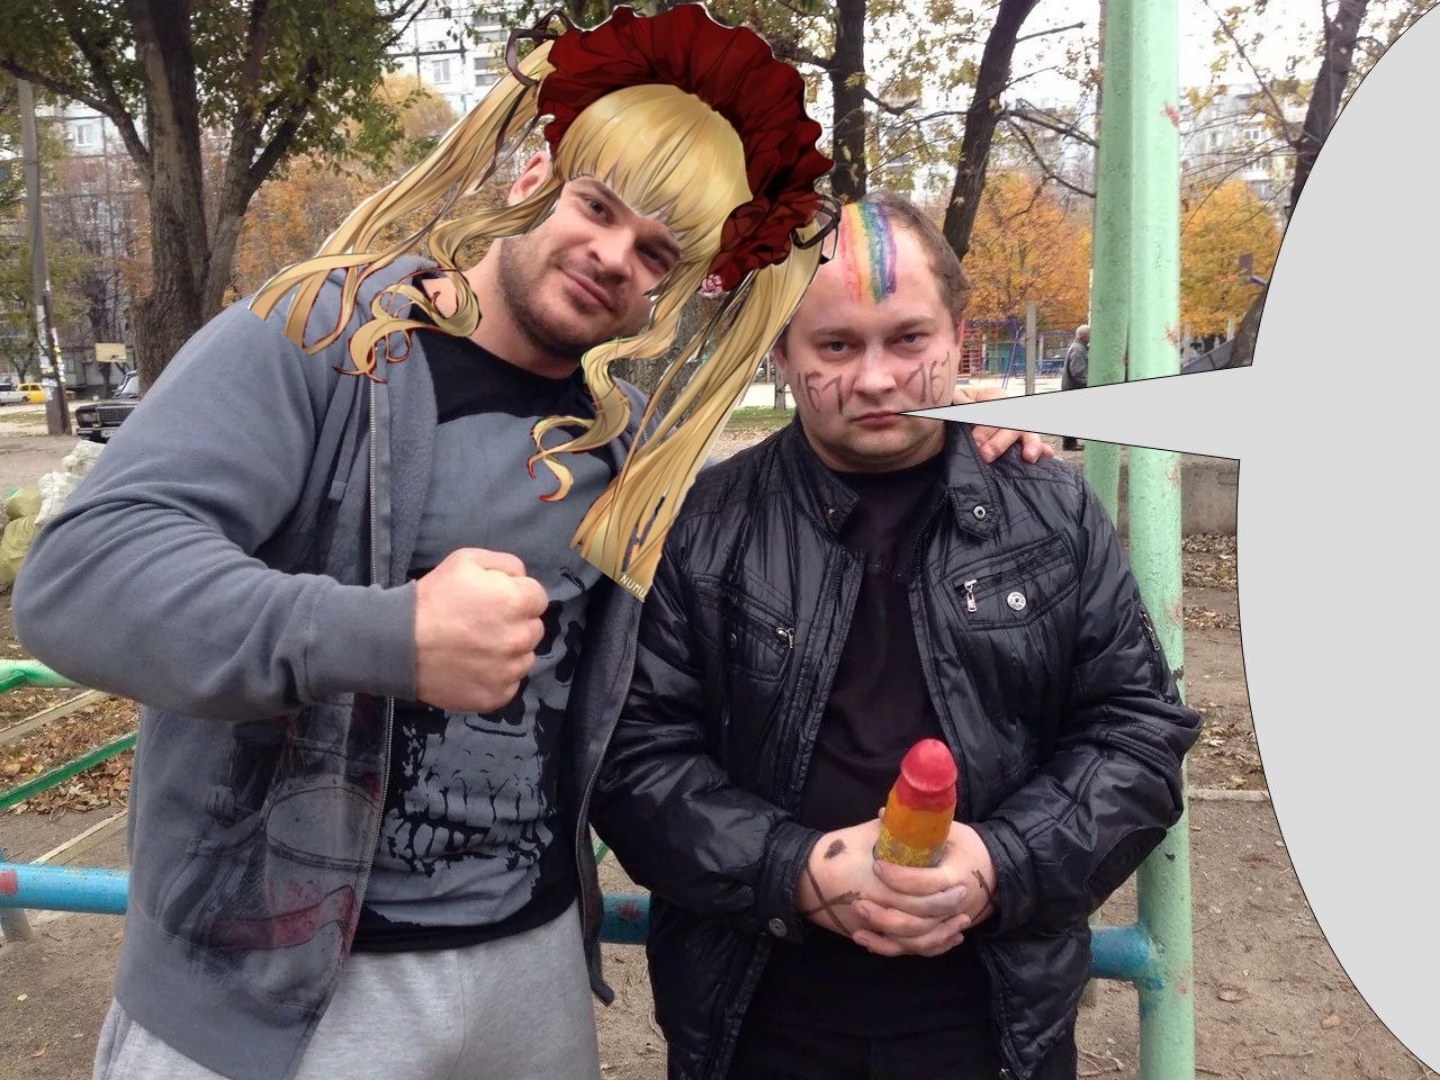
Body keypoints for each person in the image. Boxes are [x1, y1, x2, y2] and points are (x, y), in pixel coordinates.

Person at [11, 10, 1046, 1080]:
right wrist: (388, 634)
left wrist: (954, 443)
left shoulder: (627, 446)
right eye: (596, 206)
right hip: (276, 991)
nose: (612, 256)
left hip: (533, 970)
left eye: (657, 252)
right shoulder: (319, 338)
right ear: (532, 174)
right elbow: (79, 581)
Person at [592, 193, 1200, 1080]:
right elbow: (635, 758)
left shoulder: (1050, 510)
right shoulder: (705, 525)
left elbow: (1137, 734)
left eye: (909, 339)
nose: (876, 379)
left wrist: (1000, 862)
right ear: (782, 354)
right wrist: (797, 870)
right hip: (758, 1019)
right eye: (836, 347)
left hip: (997, 1023)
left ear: (958, 334)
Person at [1060, 323, 1089, 450]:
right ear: (1085, 336)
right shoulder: (1079, 349)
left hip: (1071, 386)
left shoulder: (1078, 347)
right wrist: (1087, 383)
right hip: (1074, 387)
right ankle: (1069, 444)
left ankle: (1071, 443)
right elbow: (1077, 371)